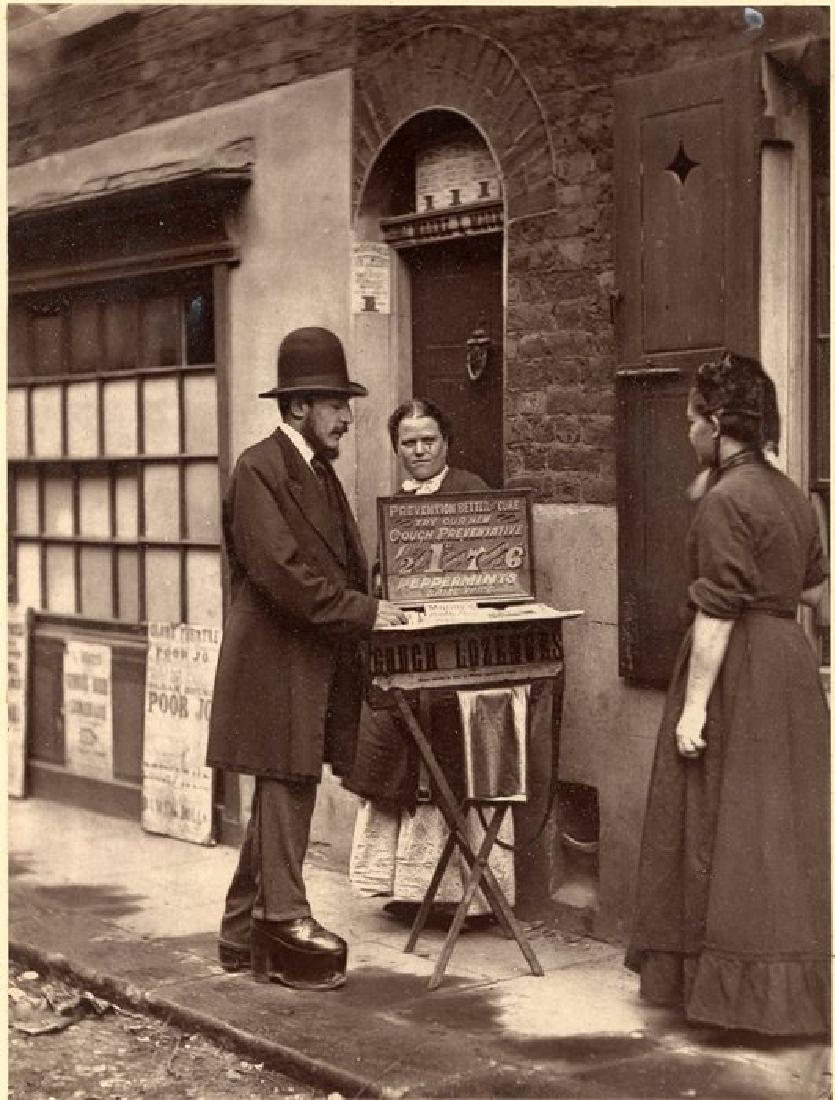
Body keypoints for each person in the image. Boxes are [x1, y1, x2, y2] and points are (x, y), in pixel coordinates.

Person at [625, 352, 830, 1037]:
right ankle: (794, 994)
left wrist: (692, 709)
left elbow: (717, 610)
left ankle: (735, 998)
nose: (687, 432)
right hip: (789, 668)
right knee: (779, 829)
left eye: (692, 420)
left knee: (725, 821)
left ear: (716, 424)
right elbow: (815, 591)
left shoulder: (725, 499)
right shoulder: (792, 494)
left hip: (738, 668)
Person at [206, 326, 406, 991]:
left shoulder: (315, 470)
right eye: (335, 404)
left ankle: (241, 932)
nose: (347, 418)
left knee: (285, 786)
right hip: (275, 660)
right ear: (298, 407)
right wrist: (367, 612)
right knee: (286, 784)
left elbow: (336, 563)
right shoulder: (259, 468)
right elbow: (284, 574)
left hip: (306, 659)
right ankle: (282, 920)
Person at [347, 398, 515, 922]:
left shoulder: (470, 491)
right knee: (403, 752)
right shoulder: (397, 504)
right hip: (411, 652)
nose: (419, 451)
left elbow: (497, 564)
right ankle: (414, 890)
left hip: (461, 655)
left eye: (429, 441)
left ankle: (468, 895)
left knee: (455, 760)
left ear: (446, 444)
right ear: (396, 449)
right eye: (409, 443)